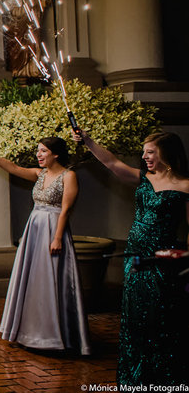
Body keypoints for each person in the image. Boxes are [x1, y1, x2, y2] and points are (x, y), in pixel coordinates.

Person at [73, 130, 189, 385]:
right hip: (136, 257)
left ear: (167, 154)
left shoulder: (185, 186)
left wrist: (184, 256)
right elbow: (112, 162)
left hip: (162, 260)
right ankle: (134, 377)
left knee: (161, 317)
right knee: (134, 315)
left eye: (150, 152)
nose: (145, 156)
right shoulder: (143, 178)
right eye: (144, 152)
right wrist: (89, 141)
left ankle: (164, 377)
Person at [0, 137, 90, 354]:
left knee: (53, 280)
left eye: (43, 151)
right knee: (33, 279)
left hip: (53, 229)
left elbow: (66, 210)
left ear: (56, 154)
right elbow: (13, 167)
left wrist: (57, 238)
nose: (38, 155)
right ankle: (29, 332)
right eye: (38, 151)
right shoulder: (39, 174)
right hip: (34, 230)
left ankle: (54, 336)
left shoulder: (69, 176)